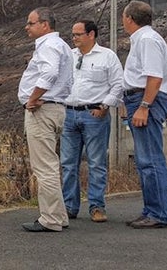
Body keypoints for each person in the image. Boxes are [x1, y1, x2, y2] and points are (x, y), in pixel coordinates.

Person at [61, 20, 123, 223]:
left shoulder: (107, 56)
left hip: (94, 115)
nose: (74, 38)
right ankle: (70, 206)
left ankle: (96, 206)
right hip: (69, 114)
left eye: (78, 34)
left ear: (91, 34)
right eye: (73, 34)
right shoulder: (69, 56)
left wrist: (105, 106)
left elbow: (118, 84)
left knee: (96, 163)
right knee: (68, 164)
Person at [17, 7, 73, 232]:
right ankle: (59, 216)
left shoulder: (48, 46)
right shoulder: (63, 46)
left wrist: (33, 98)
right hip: (55, 108)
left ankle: (50, 219)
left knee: (44, 168)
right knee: (50, 164)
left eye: (31, 23)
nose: (27, 27)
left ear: (45, 24)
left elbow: (49, 73)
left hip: (43, 110)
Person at [121, 0, 167, 229]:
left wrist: (144, 106)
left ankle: (159, 213)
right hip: (139, 99)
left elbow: (154, 77)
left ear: (129, 19)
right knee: (145, 160)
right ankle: (151, 209)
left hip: (147, 100)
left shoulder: (147, 40)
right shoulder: (143, 40)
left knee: (150, 159)